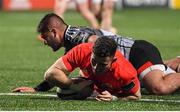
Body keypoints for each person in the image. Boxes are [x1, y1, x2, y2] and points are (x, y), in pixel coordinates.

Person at [13, 13, 180, 95]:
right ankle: (174, 63)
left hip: (137, 53)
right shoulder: (71, 38)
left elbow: (98, 44)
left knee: (158, 87)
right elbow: (60, 71)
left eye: (45, 36)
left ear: (54, 32)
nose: (44, 41)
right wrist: (37, 89)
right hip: (127, 59)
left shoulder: (77, 37)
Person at [45, 37, 141, 101]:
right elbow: (50, 74)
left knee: (155, 87)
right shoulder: (82, 51)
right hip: (94, 82)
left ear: (113, 60)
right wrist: (71, 85)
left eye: (103, 64)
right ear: (91, 53)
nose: (96, 68)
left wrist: (114, 98)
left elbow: (136, 96)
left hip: (134, 71)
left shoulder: (126, 72)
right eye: (94, 61)